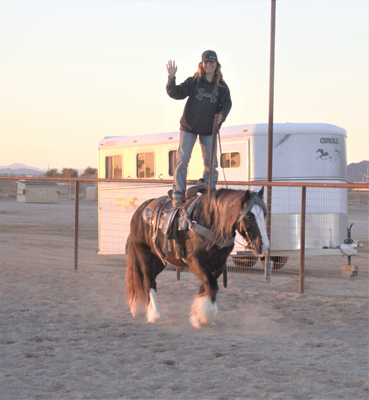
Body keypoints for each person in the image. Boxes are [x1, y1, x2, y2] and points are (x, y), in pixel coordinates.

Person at [166, 50, 232, 207]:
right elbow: (175, 93)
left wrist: (222, 114)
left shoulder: (222, 86)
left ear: (216, 65)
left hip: (209, 129)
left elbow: (227, 103)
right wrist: (171, 78)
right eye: (206, 62)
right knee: (182, 160)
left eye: (212, 62)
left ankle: (209, 192)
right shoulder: (194, 81)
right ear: (202, 64)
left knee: (211, 164)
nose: (209, 65)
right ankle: (178, 193)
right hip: (189, 127)